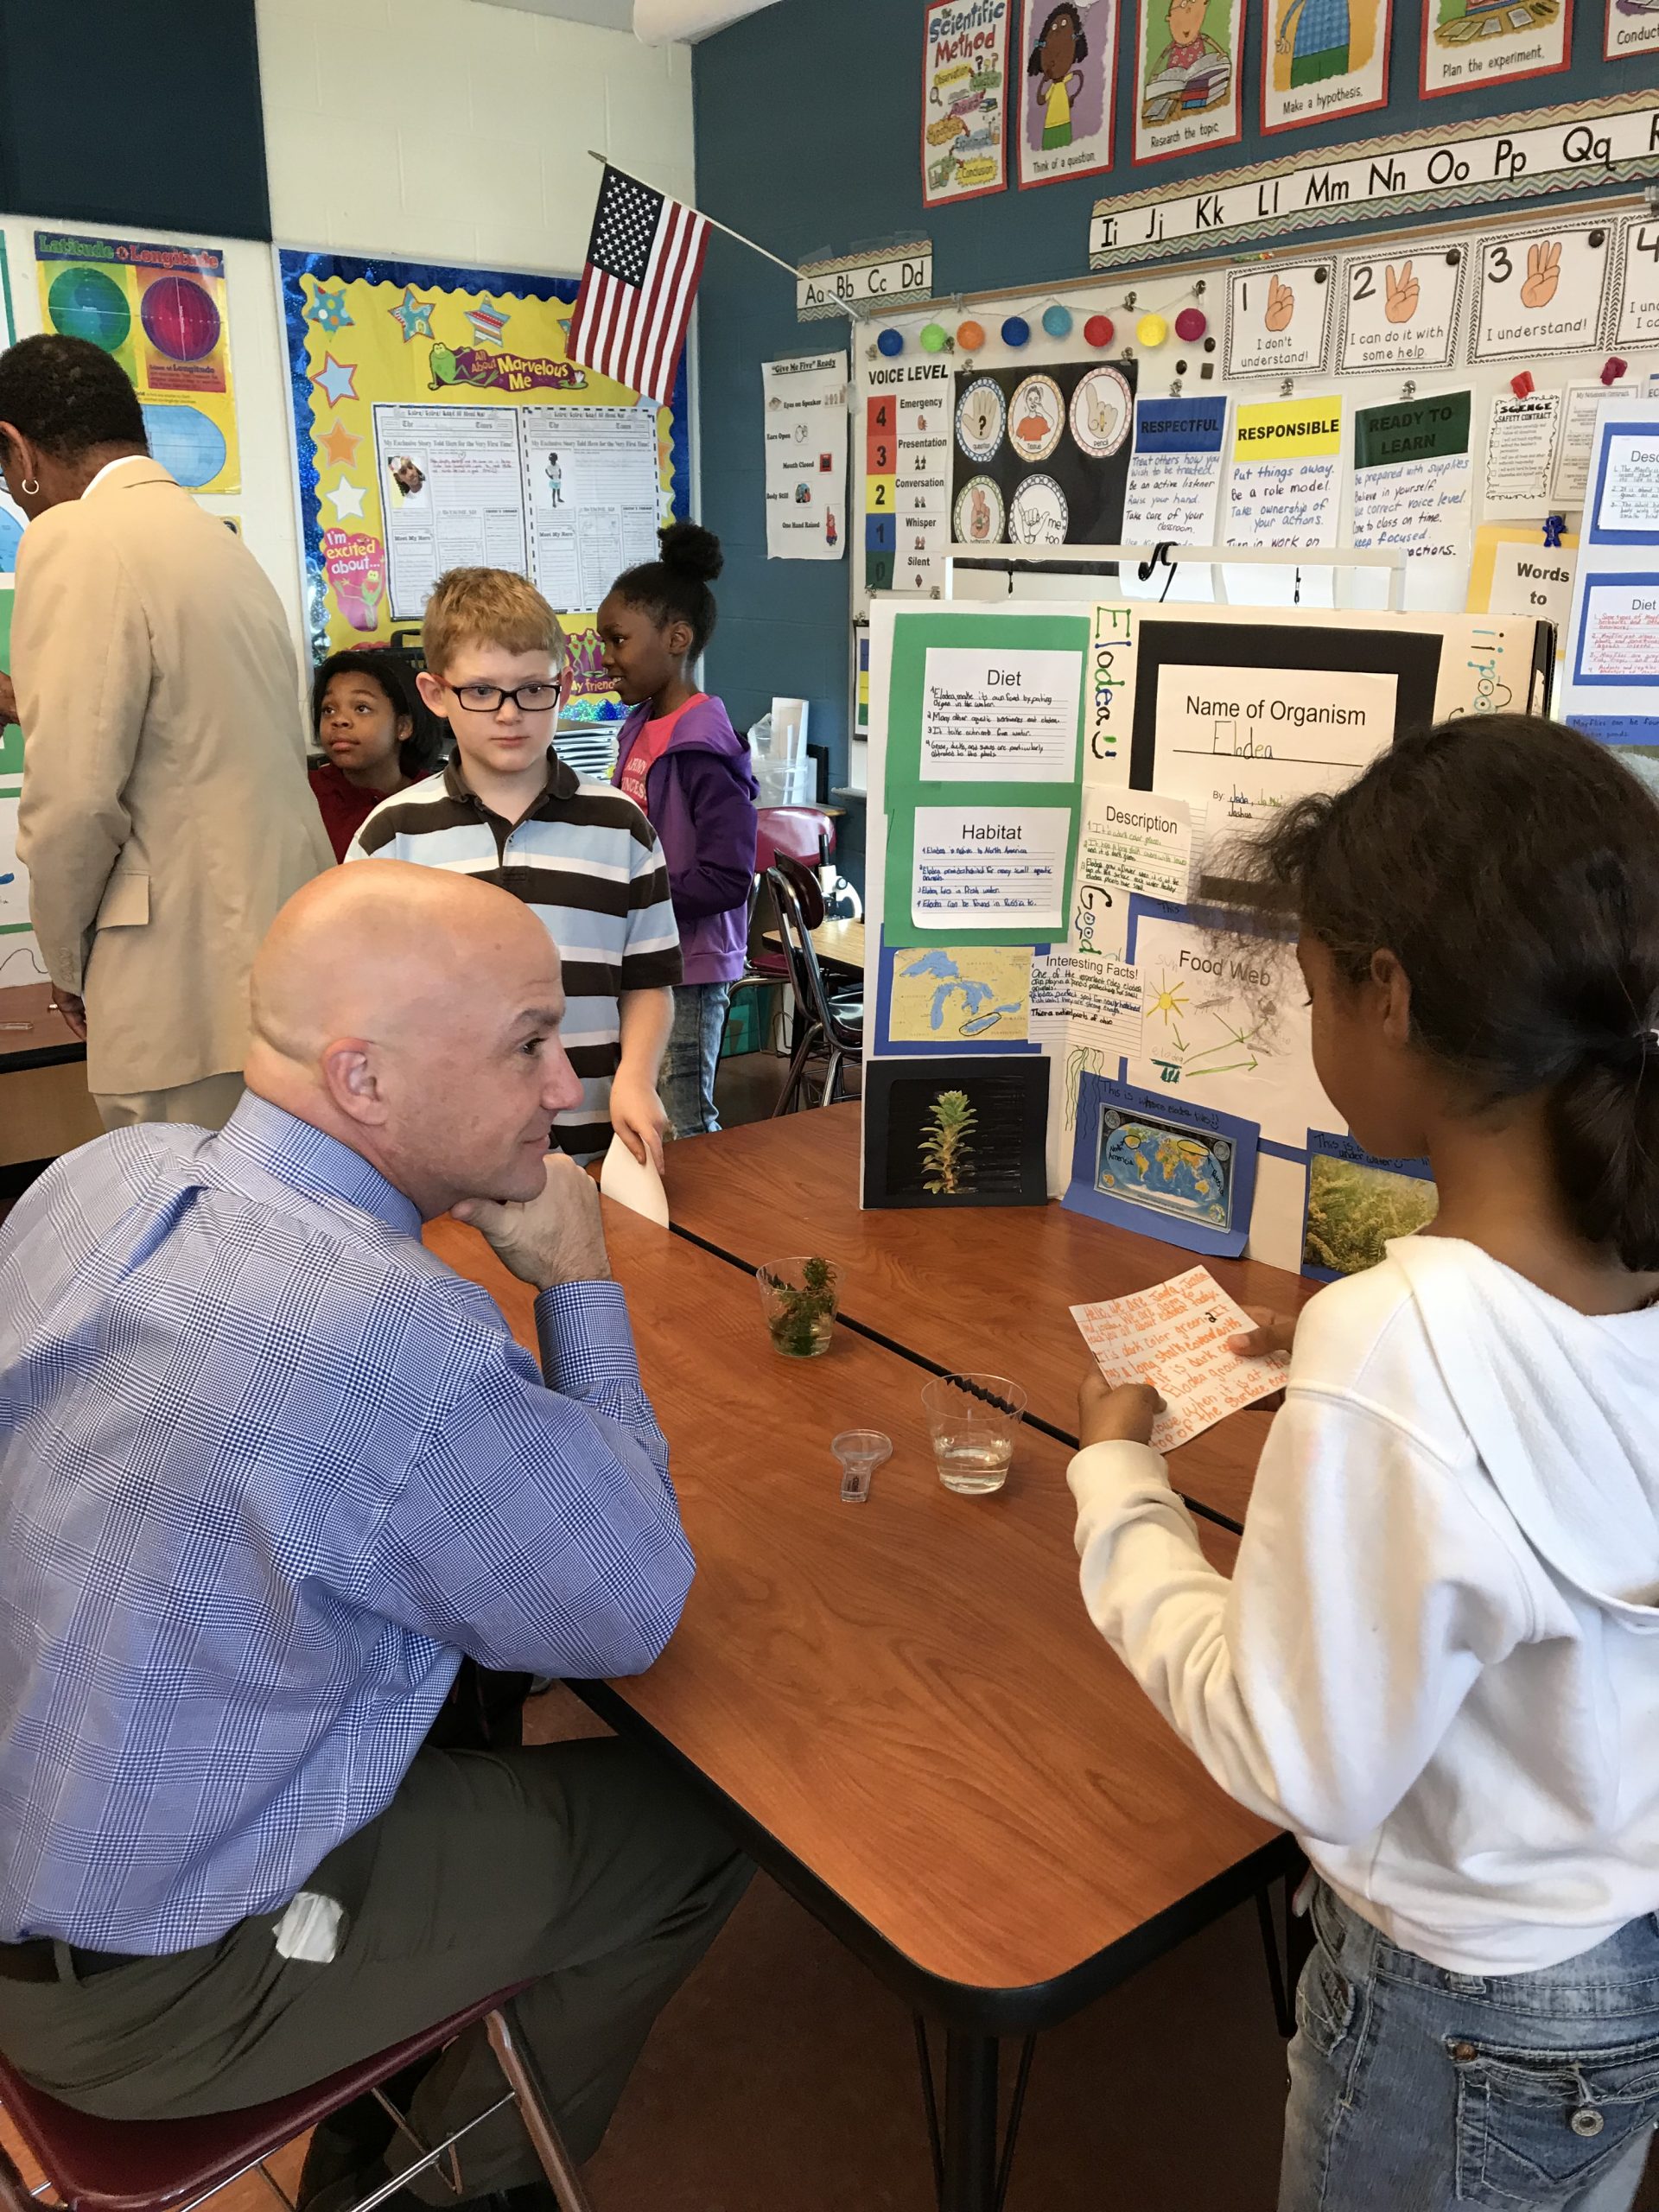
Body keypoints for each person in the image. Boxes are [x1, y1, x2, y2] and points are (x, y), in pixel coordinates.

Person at [0, 861, 748, 2204]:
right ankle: (469, 2187)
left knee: (438, 1688)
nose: (566, 1086)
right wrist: (579, 1280)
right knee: (692, 1830)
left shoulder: (105, 1172)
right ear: (363, 1080)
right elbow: (636, 1605)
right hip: (151, 1984)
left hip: (44, 1845)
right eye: (528, 1044)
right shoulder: (395, 1335)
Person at [1068, 715, 1659, 2212]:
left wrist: (1120, 1488)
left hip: (1457, 2008)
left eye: (1313, 986)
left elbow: (1297, 1761)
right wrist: (1361, 1381)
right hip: (1619, 1945)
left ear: (1385, 995)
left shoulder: (1396, 1343)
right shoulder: (1587, 1285)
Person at [0, 332, 332, 1129]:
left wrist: (68, 961)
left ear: (19, 448)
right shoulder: (212, 540)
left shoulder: (74, 535)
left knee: (187, 1204)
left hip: (179, 978)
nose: (14, 495)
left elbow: (76, 800)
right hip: (280, 956)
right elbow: (191, 732)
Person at [349, 568, 677, 1169]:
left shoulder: (623, 827)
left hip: (597, 1142)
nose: (509, 714)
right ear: (435, 694)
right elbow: (367, 1009)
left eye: (531, 690)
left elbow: (648, 983)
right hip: (447, 1158)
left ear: (564, 686)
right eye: (480, 691)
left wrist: (637, 1077)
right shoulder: (391, 837)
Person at [598, 524, 757, 1140]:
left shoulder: (703, 745)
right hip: (647, 956)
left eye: (618, 640)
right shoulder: (640, 727)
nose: (607, 657)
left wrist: (637, 898)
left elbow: (727, 877)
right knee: (642, 1108)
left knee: (683, 1118)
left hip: (690, 965)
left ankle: (704, 1205)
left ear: (677, 639)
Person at [308, 649, 442, 862]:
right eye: (329, 710)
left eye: (361, 708)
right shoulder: (307, 794)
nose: (339, 720)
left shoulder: (435, 798)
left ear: (403, 726)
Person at [1027, 3, 1088, 150]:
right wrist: (1043, 81)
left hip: (1064, 122)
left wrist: (1072, 97)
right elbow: (1041, 99)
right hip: (1050, 125)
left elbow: (1079, 76)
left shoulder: (1063, 82)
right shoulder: (1054, 86)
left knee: (1064, 144)